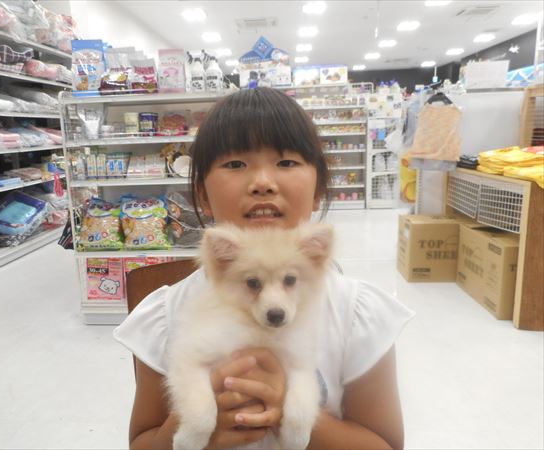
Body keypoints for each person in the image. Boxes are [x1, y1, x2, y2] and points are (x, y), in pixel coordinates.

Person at [114, 87, 414, 449]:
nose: (262, 183)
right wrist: (197, 424)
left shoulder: (355, 315)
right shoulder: (165, 316)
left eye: (286, 162)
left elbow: (387, 443)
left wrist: (291, 412)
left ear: (318, 188)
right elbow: (142, 442)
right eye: (235, 164)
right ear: (202, 194)